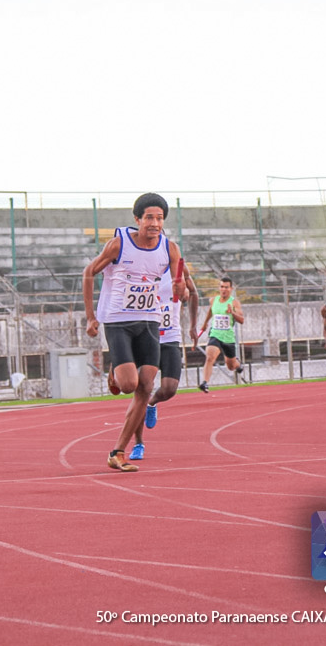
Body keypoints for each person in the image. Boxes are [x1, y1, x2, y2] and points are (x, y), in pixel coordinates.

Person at [83, 193, 186, 472]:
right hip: (119, 321)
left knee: (145, 387)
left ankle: (118, 452)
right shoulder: (119, 244)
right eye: (149, 217)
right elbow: (89, 272)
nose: (154, 223)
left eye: (160, 218)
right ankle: (117, 368)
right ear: (137, 219)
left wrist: (181, 289)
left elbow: (181, 282)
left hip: (150, 323)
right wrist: (91, 317)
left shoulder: (170, 248)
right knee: (127, 385)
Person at [127, 262, 198, 460]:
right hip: (147, 337)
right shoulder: (140, 268)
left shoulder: (179, 268)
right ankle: (138, 444)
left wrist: (193, 325)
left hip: (170, 338)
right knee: (141, 390)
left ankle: (152, 404)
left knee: (169, 389)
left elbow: (193, 294)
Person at [196, 276, 245, 393]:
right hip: (215, 334)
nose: (224, 289)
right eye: (222, 287)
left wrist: (232, 312)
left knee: (231, 366)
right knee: (209, 357)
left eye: (226, 287)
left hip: (228, 338)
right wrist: (205, 323)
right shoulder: (213, 300)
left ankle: (238, 364)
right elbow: (210, 311)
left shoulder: (234, 303)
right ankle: (205, 383)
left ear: (231, 289)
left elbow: (242, 320)